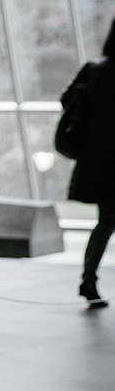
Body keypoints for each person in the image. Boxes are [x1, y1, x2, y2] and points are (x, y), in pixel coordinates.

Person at [63, 18, 115, 308]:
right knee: (106, 222)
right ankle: (88, 280)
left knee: (105, 222)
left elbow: (66, 101)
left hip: (100, 163)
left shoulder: (95, 71)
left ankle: (89, 279)